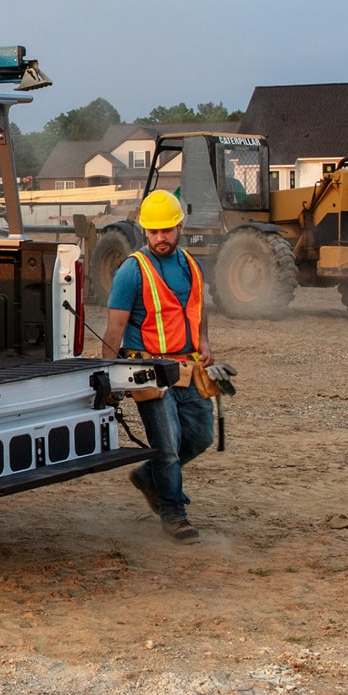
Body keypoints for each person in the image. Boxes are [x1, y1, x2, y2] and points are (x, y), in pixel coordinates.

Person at [102, 190, 218, 543]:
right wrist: (107, 381)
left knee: (200, 436)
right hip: (149, 370)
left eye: (166, 231)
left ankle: (148, 476)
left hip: (186, 366)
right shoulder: (131, 271)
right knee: (167, 445)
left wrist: (205, 342)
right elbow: (114, 329)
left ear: (179, 226)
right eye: (152, 232)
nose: (159, 238)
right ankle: (174, 513)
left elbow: (197, 309)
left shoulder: (190, 265)